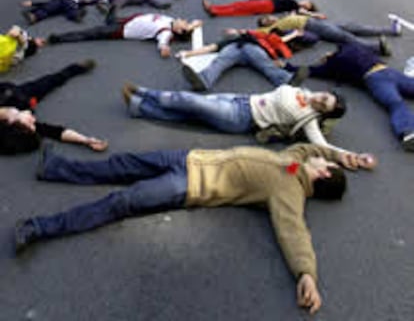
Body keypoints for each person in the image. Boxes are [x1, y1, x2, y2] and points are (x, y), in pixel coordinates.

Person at [14, 143, 376, 313]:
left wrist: (307, 273)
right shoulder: (295, 161)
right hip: (187, 157)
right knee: (121, 163)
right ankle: (57, 168)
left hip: (188, 185)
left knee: (121, 202)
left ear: (324, 175)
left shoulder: (290, 191)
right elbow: (310, 147)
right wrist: (345, 156)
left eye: (324, 163)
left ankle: (39, 228)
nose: (318, 158)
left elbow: (293, 232)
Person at [122, 81, 349, 150]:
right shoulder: (304, 91)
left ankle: (144, 92)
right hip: (240, 97)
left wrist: (350, 156)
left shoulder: (309, 119)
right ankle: (139, 108)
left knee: (188, 100)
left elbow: (322, 145)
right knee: (189, 114)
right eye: (324, 97)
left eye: (323, 106)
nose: (319, 100)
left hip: (240, 117)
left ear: (322, 113)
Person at [284, 42, 414, 151]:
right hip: (376, 78)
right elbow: (312, 70)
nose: (324, 56)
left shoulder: (345, 49)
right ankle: (407, 131)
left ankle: (407, 131)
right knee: (395, 103)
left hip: (387, 71)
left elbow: (313, 69)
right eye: (324, 58)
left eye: (325, 56)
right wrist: (288, 67)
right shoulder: (334, 64)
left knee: (397, 101)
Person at [0, 60, 107, 154]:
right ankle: (76, 68)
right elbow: (56, 132)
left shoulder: (14, 120)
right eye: (33, 124)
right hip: (22, 98)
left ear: (11, 121)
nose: (34, 119)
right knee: (49, 83)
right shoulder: (19, 123)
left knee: (51, 81)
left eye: (30, 122)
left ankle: (76, 68)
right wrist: (86, 140)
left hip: (14, 95)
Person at [177, 28, 306, 90]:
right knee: (219, 62)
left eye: (232, 31)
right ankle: (202, 81)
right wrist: (189, 53)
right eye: (228, 32)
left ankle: (287, 80)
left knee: (266, 65)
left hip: (252, 49)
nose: (230, 32)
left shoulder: (255, 37)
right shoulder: (227, 41)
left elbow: (278, 41)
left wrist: (293, 34)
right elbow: (210, 47)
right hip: (234, 49)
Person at [47, 14, 203, 58]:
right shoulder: (172, 22)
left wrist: (164, 49)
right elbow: (195, 23)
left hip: (121, 30)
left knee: (90, 33)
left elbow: (163, 43)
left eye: (184, 23)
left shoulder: (166, 31)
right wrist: (193, 25)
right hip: (129, 19)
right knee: (111, 18)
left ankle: (58, 38)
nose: (183, 20)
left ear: (179, 31)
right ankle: (109, 16)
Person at [257, 13, 402, 56]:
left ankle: (392, 30)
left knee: (354, 27)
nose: (269, 18)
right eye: (265, 20)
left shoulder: (282, 18)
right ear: (265, 25)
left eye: (268, 16)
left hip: (314, 22)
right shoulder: (272, 28)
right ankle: (377, 48)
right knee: (344, 36)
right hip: (311, 26)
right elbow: (256, 33)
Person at [202, 0, 323, 18]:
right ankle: (214, 7)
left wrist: (315, 14)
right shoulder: (295, 4)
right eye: (307, 1)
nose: (306, 2)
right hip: (266, 3)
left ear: (307, 7)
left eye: (308, 4)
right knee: (238, 5)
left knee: (240, 9)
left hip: (268, 6)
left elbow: (305, 13)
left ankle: (215, 11)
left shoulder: (297, 8)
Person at [21, 0, 88, 24]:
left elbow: (83, 2)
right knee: (48, 7)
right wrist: (32, 3)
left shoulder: (74, 0)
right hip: (58, 2)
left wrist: (84, 2)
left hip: (68, 3)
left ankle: (76, 15)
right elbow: (46, 2)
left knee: (70, 7)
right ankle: (33, 16)